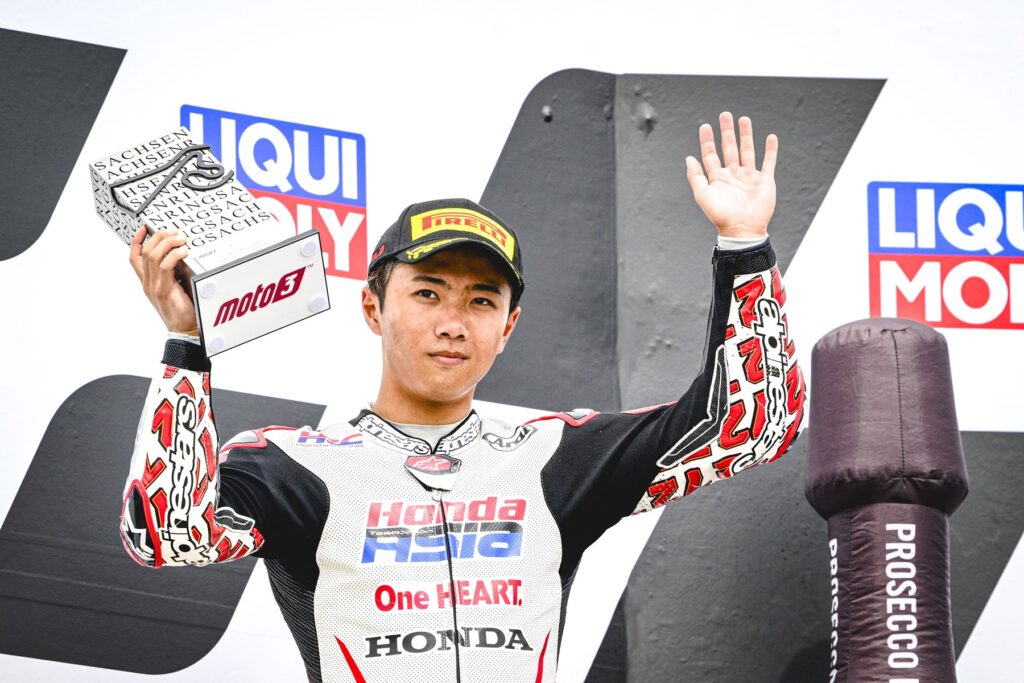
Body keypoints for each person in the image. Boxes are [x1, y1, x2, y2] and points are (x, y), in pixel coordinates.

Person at [119, 112, 805, 683]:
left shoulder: (555, 456)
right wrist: (187, 343)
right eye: (428, 293)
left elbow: (751, 426)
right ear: (372, 307)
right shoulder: (295, 466)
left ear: (507, 328)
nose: (454, 322)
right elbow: (165, 535)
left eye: (481, 301)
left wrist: (745, 246)